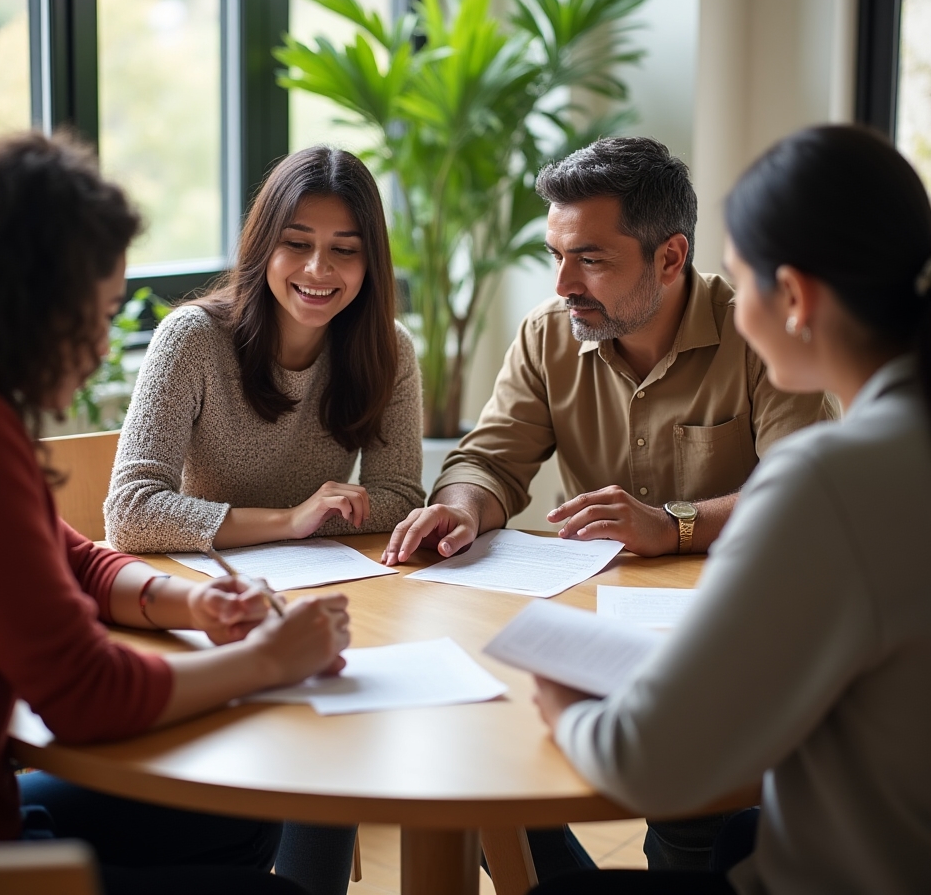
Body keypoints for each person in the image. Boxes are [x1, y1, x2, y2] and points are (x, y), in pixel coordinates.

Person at [0, 133, 352, 895]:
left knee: (238, 816)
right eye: (100, 311)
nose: (103, 341)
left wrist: (188, 599)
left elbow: (68, 555)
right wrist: (268, 662)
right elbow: (85, 696)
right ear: (33, 301)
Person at [383, 136, 834, 876]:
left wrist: (676, 527)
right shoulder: (546, 335)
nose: (563, 283)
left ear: (669, 257)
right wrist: (464, 506)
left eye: (590, 258)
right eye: (556, 254)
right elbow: (488, 460)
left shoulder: (759, 335)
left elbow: (806, 493)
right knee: (492, 785)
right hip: (594, 628)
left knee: (688, 828)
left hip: (729, 635)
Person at [530, 123, 931, 894]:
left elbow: (650, 762)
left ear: (795, 299)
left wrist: (558, 697)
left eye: (740, 283)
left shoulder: (832, 479)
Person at [104, 144, 423, 893]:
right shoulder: (194, 340)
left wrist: (318, 522)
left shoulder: (388, 352)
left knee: (347, 710)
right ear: (263, 246)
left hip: (330, 601)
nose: (319, 272)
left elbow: (401, 495)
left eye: (345, 251)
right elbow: (130, 512)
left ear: (370, 261)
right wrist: (289, 520)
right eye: (298, 244)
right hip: (204, 612)